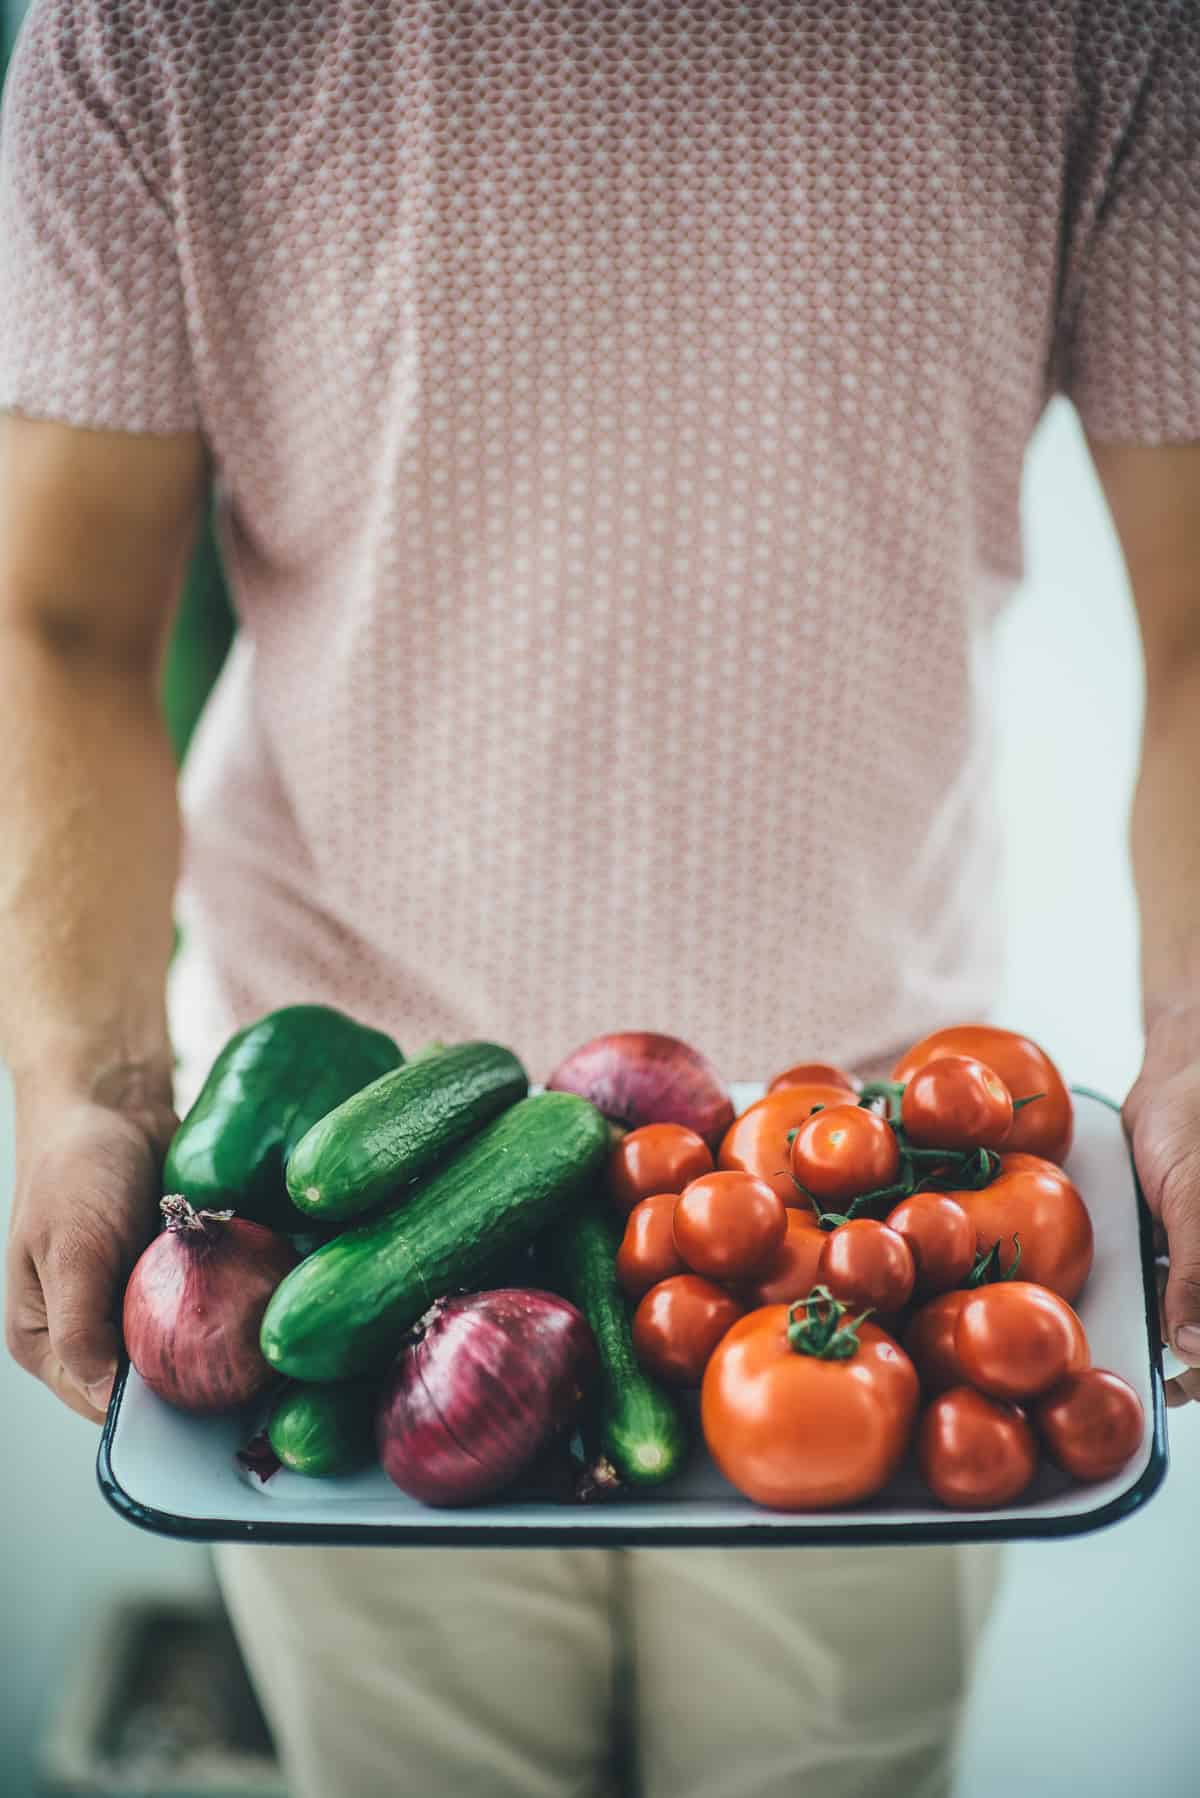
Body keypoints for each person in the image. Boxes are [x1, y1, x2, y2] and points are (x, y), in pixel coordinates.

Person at [1, 2, 1197, 1794]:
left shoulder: (1107, 29)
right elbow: (58, 616)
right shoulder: (155, 29)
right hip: (337, 1198)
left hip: (876, 1189)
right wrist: (81, 1093)